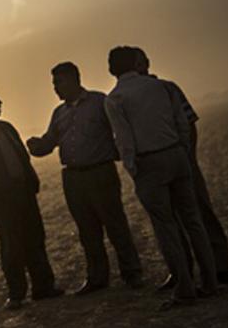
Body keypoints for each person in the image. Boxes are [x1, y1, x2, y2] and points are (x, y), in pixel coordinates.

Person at [103, 46, 219, 311]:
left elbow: (124, 140)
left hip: (148, 162)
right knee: (193, 221)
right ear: (135, 63)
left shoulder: (115, 99)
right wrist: (181, 149)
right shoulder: (163, 87)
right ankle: (210, 282)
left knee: (166, 227)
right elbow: (182, 122)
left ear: (112, 69)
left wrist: (133, 168)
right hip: (176, 154)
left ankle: (185, 289)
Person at [26, 62, 143, 295]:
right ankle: (97, 278)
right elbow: (50, 141)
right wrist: (36, 146)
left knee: (115, 225)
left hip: (100, 172)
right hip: (73, 177)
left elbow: (120, 131)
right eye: (54, 84)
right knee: (87, 230)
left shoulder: (100, 102)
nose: (56, 89)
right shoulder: (59, 113)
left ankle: (132, 273)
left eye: (59, 82)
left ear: (75, 79)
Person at [133, 47, 228, 288]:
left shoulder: (167, 88)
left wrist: (187, 156)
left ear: (147, 64)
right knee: (169, 221)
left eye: (141, 62)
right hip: (157, 165)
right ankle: (181, 271)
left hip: (181, 160)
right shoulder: (128, 97)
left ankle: (221, 267)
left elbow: (188, 123)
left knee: (200, 214)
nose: (139, 68)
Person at [0, 87, 64, 310]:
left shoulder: (6, 128)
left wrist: (30, 181)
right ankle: (16, 293)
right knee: (11, 243)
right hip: (1, 199)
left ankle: (43, 287)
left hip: (23, 192)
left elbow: (22, 158)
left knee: (35, 237)